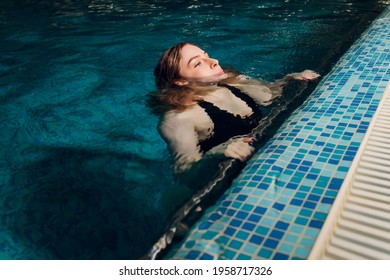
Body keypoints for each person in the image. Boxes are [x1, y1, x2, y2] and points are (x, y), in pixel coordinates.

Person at [149, 42, 320, 175]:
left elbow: (270, 95)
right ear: (180, 81)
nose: (214, 62)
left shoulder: (233, 82)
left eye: (207, 55)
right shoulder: (179, 117)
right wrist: (216, 153)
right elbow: (184, 171)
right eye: (197, 64)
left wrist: (290, 79)